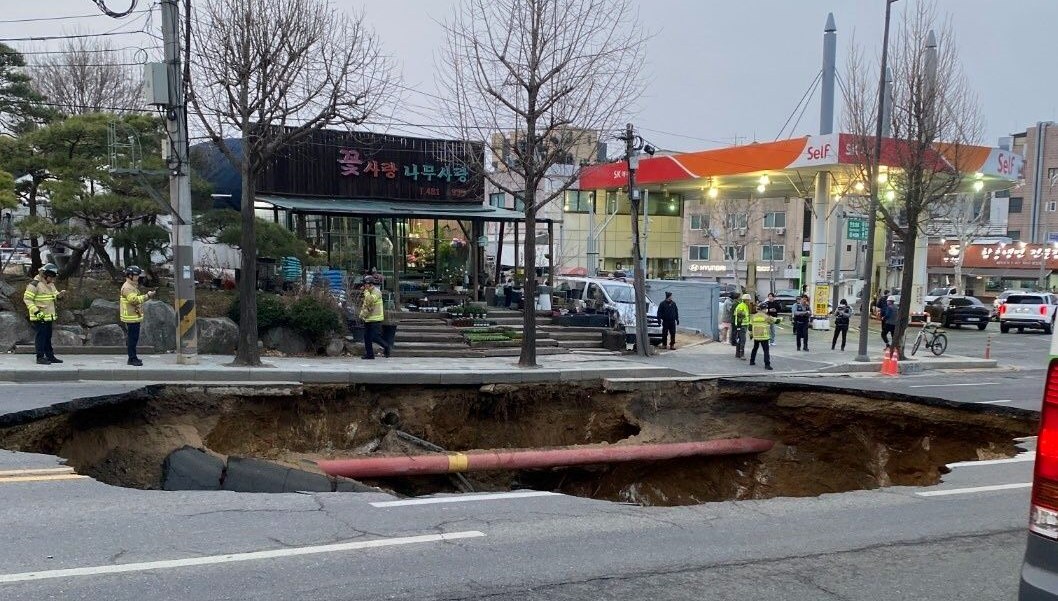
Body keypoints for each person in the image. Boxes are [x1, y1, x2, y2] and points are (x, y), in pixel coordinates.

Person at [23, 263, 64, 365]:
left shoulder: (50, 284)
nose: (53, 280)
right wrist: (36, 312)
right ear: (46, 275)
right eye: (52, 277)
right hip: (39, 316)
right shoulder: (34, 284)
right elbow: (27, 299)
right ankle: (40, 357)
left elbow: (54, 296)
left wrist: (59, 296)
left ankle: (50, 356)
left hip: (48, 316)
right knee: (41, 337)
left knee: (47, 336)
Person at [119, 265, 156, 366]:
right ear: (130, 275)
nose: (138, 277)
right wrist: (147, 296)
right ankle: (132, 359)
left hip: (133, 316)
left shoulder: (131, 286)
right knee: (132, 339)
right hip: (131, 318)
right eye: (136, 275)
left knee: (133, 339)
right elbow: (134, 300)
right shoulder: (127, 287)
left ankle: (133, 357)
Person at [359, 275, 390, 359]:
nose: (364, 286)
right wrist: (362, 315)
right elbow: (366, 305)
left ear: (370, 284)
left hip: (375, 319)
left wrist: (366, 292)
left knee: (374, 337)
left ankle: (386, 346)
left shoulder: (376, 292)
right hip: (368, 318)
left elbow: (370, 300)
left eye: (365, 284)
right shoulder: (368, 292)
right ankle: (369, 354)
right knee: (367, 337)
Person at [749, 304, 780, 370]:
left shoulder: (754, 316)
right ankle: (767, 365)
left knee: (755, 348)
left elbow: (750, 327)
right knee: (766, 351)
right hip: (764, 336)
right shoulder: (767, 317)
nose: (766, 310)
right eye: (766, 309)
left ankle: (752, 361)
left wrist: (751, 335)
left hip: (756, 336)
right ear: (763, 309)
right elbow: (775, 321)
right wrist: (780, 319)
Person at [732, 293, 751, 359]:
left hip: (743, 325)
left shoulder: (745, 305)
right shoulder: (741, 306)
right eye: (748, 300)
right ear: (745, 300)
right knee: (743, 339)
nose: (749, 301)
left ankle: (737, 353)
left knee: (739, 339)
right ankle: (741, 354)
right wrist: (743, 315)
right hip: (741, 325)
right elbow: (738, 314)